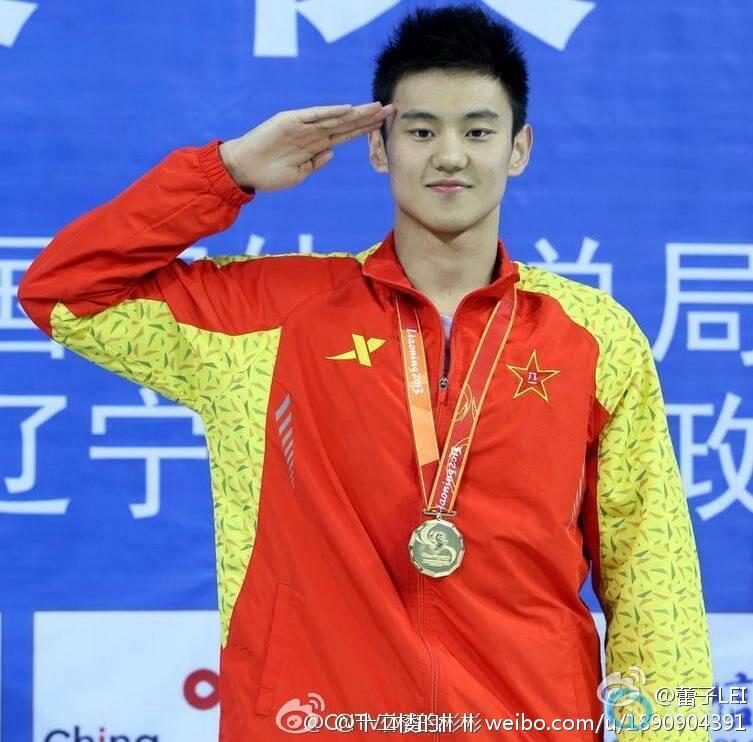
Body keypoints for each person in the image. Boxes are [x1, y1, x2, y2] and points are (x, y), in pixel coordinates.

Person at [18, 4, 713, 740]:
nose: (450, 156)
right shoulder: (269, 318)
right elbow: (64, 293)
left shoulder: (593, 336)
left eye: (478, 131)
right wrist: (227, 172)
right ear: (378, 148)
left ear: (519, 148)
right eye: (421, 131)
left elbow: (653, 579)